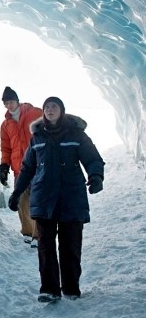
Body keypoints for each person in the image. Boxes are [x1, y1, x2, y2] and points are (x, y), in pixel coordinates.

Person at [8, 96, 105, 303]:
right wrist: (17, 193)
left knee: (70, 245)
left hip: (71, 197)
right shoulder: (37, 138)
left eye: (54, 106)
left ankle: (71, 288)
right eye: (47, 107)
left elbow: (92, 158)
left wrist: (96, 176)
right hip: (43, 198)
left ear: (61, 110)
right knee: (45, 246)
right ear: (43, 112)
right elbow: (27, 168)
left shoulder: (76, 134)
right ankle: (50, 289)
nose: (50, 110)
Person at [0, 86, 43, 247]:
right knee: (22, 200)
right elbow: (6, 148)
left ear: (17, 100)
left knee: (37, 198)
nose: (9, 105)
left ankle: (39, 234)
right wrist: (4, 165)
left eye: (11, 101)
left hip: (39, 164)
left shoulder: (36, 113)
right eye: (6, 103)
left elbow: (52, 125)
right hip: (19, 167)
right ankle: (27, 231)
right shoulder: (5, 125)